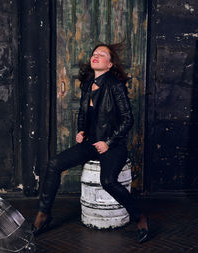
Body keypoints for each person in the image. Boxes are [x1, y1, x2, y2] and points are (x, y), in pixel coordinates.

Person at [32, 43, 149, 243]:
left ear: (110, 64)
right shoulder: (87, 85)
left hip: (112, 147)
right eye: (94, 53)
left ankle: (139, 218)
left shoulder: (115, 86)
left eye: (102, 54)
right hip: (90, 144)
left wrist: (109, 142)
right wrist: (81, 131)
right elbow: (84, 114)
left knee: (108, 181)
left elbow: (127, 119)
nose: (96, 56)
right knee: (54, 165)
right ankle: (43, 214)